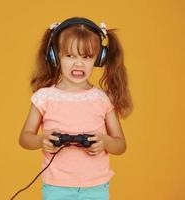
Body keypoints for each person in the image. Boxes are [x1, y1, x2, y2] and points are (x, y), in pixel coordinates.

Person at [19, 16, 133, 200]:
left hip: (95, 186)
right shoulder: (44, 97)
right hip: (56, 186)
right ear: (55, 56)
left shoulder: (102, 99)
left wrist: (105, 142)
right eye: (70, 56)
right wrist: (41, 141)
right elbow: (24, 138)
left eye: (86, 57)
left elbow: (120, 144)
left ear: (99, 59)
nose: (78, 63)